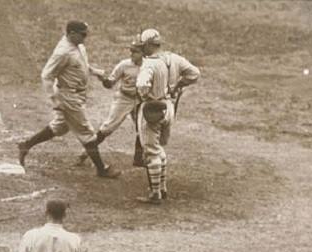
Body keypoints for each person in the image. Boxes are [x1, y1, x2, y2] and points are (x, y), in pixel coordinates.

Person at [17, 20, 120, 178]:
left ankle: (26, 145)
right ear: (72, 34)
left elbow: (81, 65)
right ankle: (101, 169)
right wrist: (54, 100)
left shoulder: (78, 46)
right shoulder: (62, 52)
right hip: (68, 96)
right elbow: (46, 75)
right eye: (83, 34)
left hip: (77, 94)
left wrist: (96, 72)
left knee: (60, 127)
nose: (85, 38)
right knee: (86, 131)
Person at [135, 28, 200, 204]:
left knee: (151, 150)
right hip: (169, 108)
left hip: (153, 109)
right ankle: (162, 188)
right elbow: (195, 74)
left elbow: (142, 85)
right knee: (159, 149)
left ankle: (155, 194)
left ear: (148, 45)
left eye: (143, 46)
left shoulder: (149, 63)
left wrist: (146, 97)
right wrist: (178, 84)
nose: (142, 49)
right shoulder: (175, 58)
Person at [75, 39, 145, 167]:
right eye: (131, 51)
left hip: (140, 100)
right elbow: (110, 84)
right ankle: (86, 152)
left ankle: (138, 158)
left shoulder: (150, 66)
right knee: (108, 128)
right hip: (124, 99)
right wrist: (102, 78)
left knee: (143, 128)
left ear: (143, 53)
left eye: (135, 52)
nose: (132, 54)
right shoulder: (124, 65)